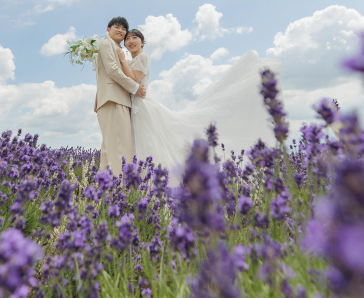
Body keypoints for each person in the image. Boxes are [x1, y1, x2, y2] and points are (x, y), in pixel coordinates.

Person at [117, 28, 280, 184]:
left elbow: (135, 80)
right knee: (143, 141)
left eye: (135, 37)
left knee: (149, 142)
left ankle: (155, 181)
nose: (131, 41)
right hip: (135, 103)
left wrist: (122, 61)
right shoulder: (131, 61)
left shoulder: (142, 57)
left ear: (143, 42)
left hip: (143, 104)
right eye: (128, 39)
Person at [94, 17, 147, 176]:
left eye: (124, 29)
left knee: (110, 148)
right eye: (117, 27)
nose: (121, 31)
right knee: (120, 146)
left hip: (115, 99)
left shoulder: (118, 50)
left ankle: (105, 188)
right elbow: (112, 70)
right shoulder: (106, 43)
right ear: (108, 30)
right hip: (114, 99)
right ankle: (121, 187)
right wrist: (135, 87)